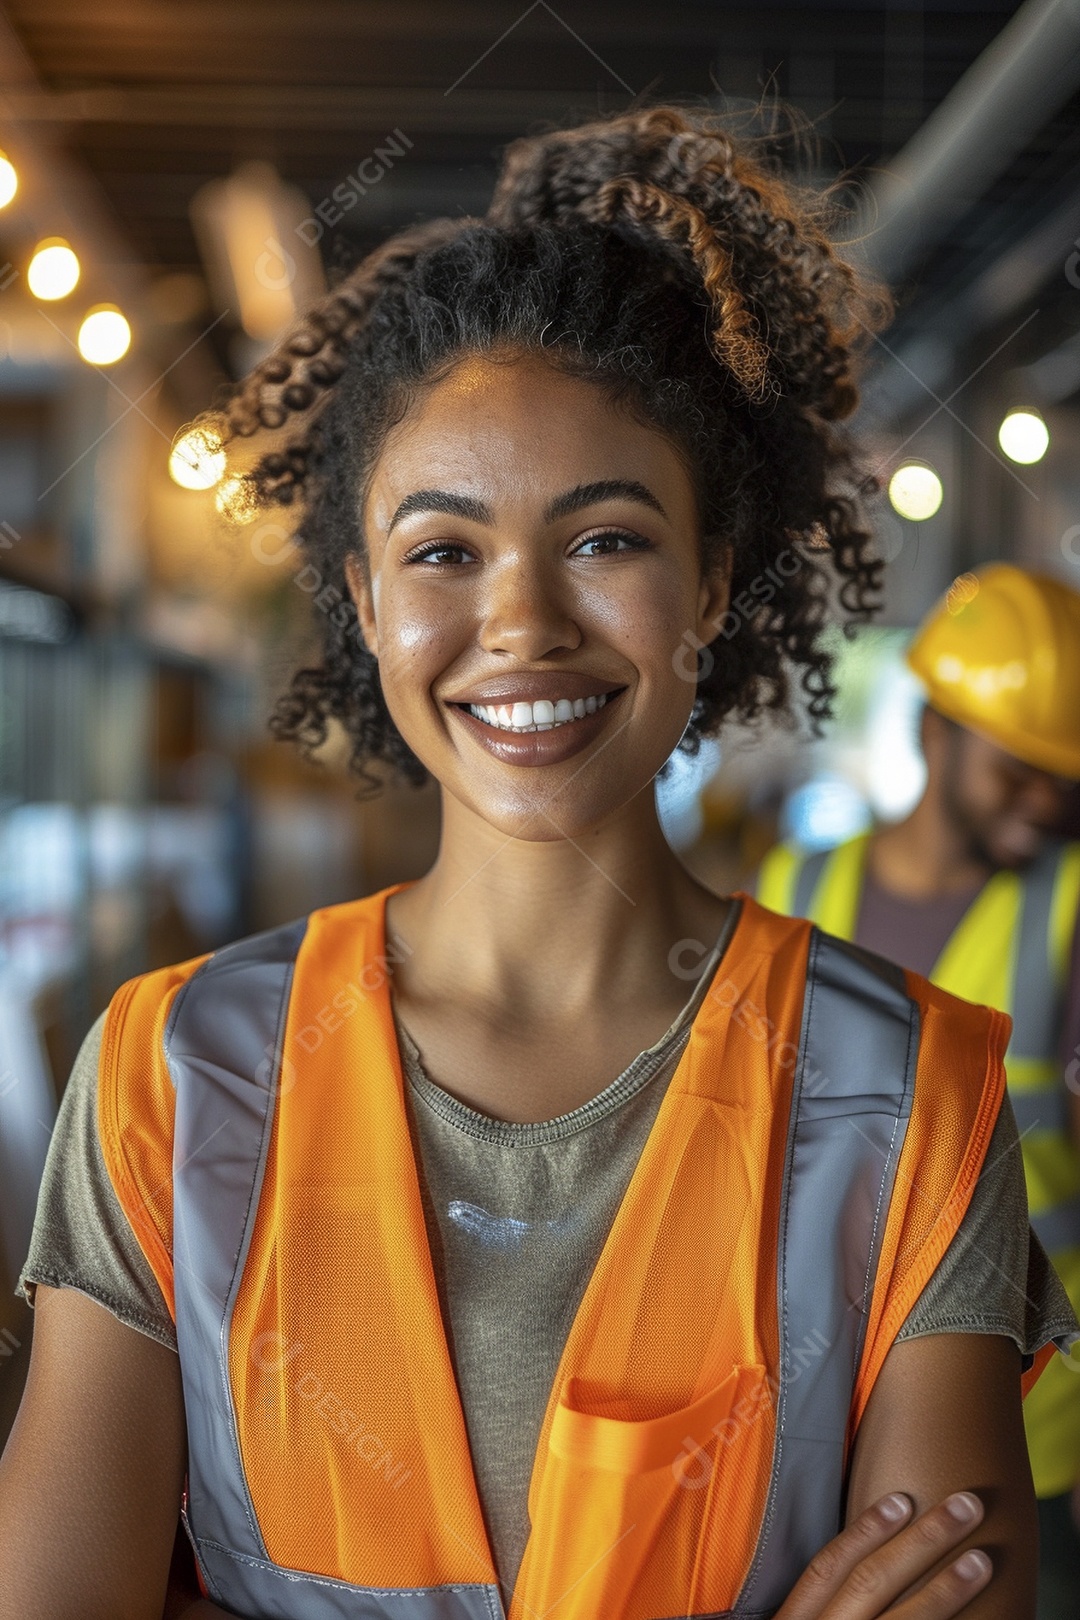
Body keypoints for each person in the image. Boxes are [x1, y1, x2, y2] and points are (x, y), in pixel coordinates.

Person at [1, 108, 1075, 1620]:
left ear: (711, 580)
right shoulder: (171, 1080)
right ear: (364, 600)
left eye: (606, 541)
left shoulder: (909, 1098)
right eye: (444, 551)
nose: (522, 624)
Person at [757, 562, 1080, 1617]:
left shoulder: (1073, 909)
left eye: (1065, 780)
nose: (1046, 803)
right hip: (824, 1420)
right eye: (1018, 770)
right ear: (936, 731)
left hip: (1043, 1434)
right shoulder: (794, 891)